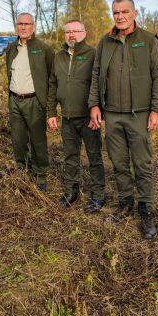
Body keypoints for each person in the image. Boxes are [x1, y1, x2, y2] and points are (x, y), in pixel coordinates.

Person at [88, 0, 158, 239]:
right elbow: (97, 73)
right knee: (119, 162)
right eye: (116, 12)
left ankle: (146, 208)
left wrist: (156, 109)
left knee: (142, 163)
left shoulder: (147, 40)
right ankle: (125, 202)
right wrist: (94, 104)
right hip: (112, 115)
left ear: (134, 13)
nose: (120, 16)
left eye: (124, 12)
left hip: (139, 115)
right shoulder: (105, 41)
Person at [47, 20, 106, 211]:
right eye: (68, 32)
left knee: (94, 157)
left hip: (88, 117)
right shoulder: (59, 56)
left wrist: (96, 111)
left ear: (84, 33)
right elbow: (53, 85)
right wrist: (51, 112)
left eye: (75, 31)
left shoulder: (93, 55)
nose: (71, 35)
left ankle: (98, 196)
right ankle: (71, 192)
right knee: (70, 157)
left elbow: (100, 85)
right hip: (68, 118)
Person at [4, 12, 54, 191]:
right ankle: (22, 172)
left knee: (37, 140)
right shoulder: (11, 48)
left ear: (33, 27)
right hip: (15, 100)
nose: (23, 27)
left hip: (34, 100)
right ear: (16, 26)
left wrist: (48, 104)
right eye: (20, 24)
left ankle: (40, 175)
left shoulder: (44, 49)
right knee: (18, 139)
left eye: (27, 24)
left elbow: (51, 78)